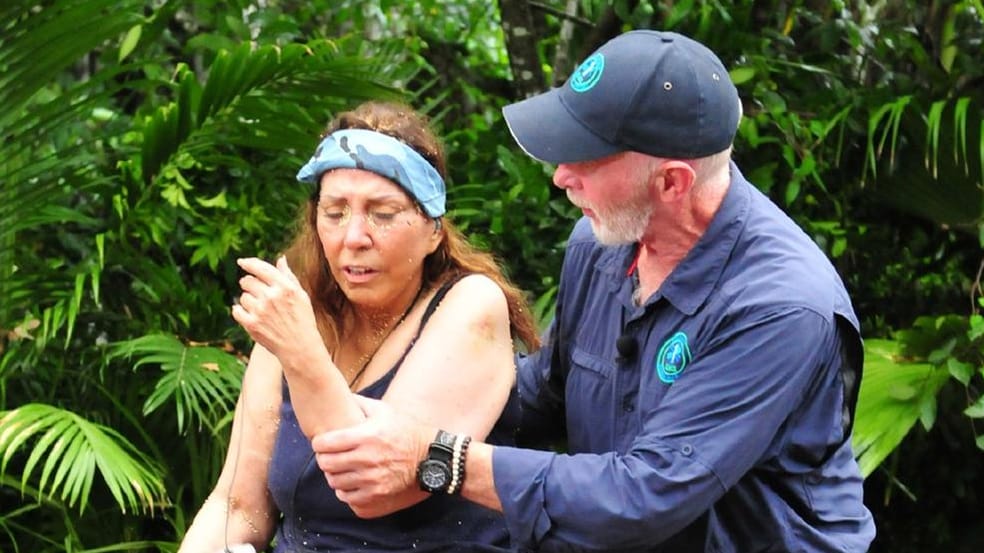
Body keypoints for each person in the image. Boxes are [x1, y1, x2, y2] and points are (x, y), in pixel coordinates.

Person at [311, 30, 877, 552]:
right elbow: (544, 396)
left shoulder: (778, 308)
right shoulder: (602, 243)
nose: (560, 175)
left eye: (586, 157)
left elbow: (644, 496)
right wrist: (390, 398)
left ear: (672, 181)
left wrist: (439, 457)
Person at [176, 101, 540, 553]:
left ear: (433, 230)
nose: (354, 237)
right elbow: (237, 506)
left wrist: (302, 355)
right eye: (335, 213)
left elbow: (376, 487)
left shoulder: (470, 304)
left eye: (382, 213)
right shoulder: (298, 314)